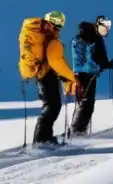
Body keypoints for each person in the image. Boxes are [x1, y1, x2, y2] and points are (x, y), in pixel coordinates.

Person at [18, 10, 77, 146]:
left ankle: (45, 138)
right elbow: (56, 61)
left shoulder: (37, 33)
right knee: (52, 106)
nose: (55, 28)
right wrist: (71, 77)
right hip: (44, 74)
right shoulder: (49, 39)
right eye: (55, 25)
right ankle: (41, 140)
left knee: (51, 105)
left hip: (41, 72)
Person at [69, 16, 113, 136]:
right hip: (88, 74)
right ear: (98, 25)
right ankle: (78, 131)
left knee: (82, 102)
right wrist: (106, 64)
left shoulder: (80, 37)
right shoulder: (95, 39)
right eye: (106, 26)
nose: (107, 29)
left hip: (78, 74)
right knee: (87, 103)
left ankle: (76, 129)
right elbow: (97, 56)